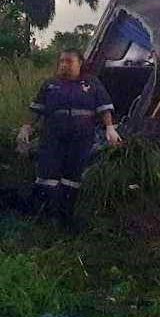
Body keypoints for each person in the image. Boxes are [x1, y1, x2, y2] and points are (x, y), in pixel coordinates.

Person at [16, 49, 122, 224]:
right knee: (47, 174)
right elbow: (37, 110)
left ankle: (65, 217)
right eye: (62, 62)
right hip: (52, 137)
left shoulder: (92, 83)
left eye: (69, 61)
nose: (64, 65)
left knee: (73, 177)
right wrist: (26, 128)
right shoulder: (50, 85)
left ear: (80, 63)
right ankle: (43, 216)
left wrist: (110, 128)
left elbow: (104, 107)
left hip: (81, 139)